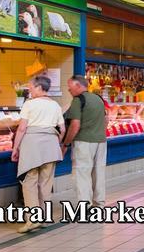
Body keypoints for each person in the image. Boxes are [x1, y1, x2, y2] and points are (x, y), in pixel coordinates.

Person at [11, 75, 65, 233]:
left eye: (31, 87)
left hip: (32, 147)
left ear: (40, 88)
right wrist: (56, 142)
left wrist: (15, 148)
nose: (30, 90)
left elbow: (22, 128)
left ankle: (33, 220)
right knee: (46, 185)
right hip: (51, 146)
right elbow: (62, 129)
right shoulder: (55, 105)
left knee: (29, 184)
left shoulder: (30, 104)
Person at [61, 76, 107, 206]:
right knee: (98, 173)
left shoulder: (78, 100)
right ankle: (99, 203)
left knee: (82, 173)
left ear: (78, 86)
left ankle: (84, 205)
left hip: (84, 142)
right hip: (101, 142)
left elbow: (74, 125)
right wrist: (99, 133)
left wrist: (66, 144)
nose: (69, 90)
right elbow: (106, 119)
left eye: (70, 88)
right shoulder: (98, 99)